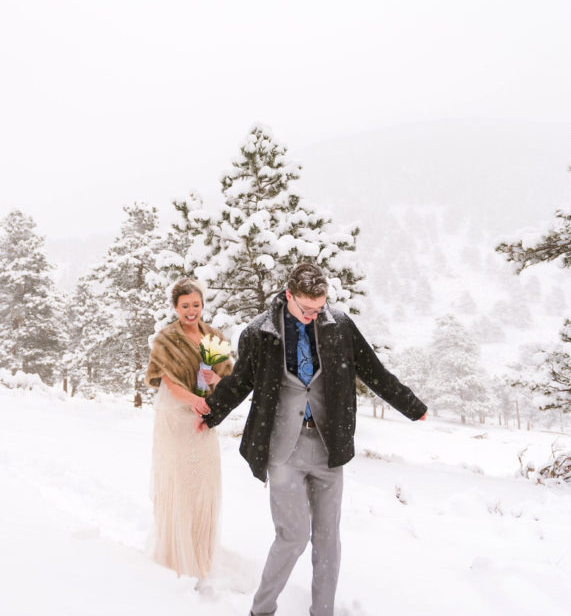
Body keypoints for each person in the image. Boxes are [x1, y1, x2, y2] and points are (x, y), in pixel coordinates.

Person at [194, 263, 427, 616]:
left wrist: (411, 405)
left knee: (328, 540)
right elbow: (241, 381)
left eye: (319, 308)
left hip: (327, 445)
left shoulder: (340, 325)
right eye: (306, 308)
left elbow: (373, 371)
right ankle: (262, 609)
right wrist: (210, 414)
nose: (313, 315)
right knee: (293, 536)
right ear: (288, 295)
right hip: (282, 448)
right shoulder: (260, 332)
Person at [145, 278, 233, 580]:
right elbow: (167, 382)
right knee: (179, 483)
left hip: (203, 418)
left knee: (204, 483)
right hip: (175, 416)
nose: (191, 311)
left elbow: (227, 383)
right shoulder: (166, 339)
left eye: (196, 305)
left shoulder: (214, 337)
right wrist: (194, 400)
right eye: (185, 306)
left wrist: (212, 382)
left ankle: (200, 556)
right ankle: (175, 558)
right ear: (175, 307)